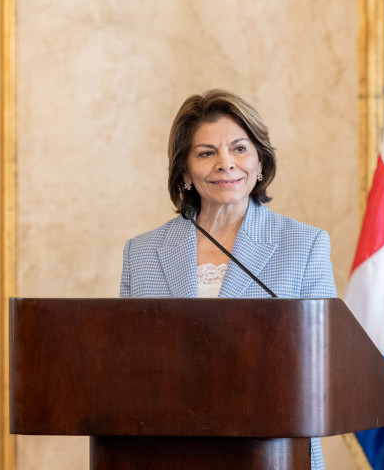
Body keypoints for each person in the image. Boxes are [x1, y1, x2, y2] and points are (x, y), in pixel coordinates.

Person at [119, 89, 336, 470]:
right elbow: (124, 366)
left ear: (260, 161)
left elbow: (326, 360)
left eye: (239, 149)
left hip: (270, 451)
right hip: (166, 451)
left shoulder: (304, 245)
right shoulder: (142, 252)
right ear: (184, 171)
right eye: (206, 153)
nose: (226, 164)